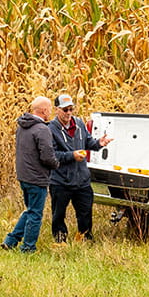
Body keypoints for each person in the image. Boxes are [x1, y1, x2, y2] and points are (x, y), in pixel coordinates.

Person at [48, 94, 113, 245]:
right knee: (58, 214)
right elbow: (51, 154)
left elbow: (88, 142)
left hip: (82, 179)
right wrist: (72, 156)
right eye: (65, 110)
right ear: (57, 110)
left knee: (85, 213)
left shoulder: (78, 123)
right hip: (60, 180)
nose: (69, 113)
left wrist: (99, 143)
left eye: (71, 109)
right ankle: (60, 240)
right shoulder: (50, 129)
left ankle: (85, 238)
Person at [1, 96, 59, 253]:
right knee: (35, 214)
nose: (51, 112)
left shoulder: (23, 126)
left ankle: (11, 240)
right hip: (37, 178)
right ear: (44, 110)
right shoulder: (42, 129)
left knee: (30, 209)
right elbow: (47, 156)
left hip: (24, 175)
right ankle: (28, 247)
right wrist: (56, 164)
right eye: (49, 109)